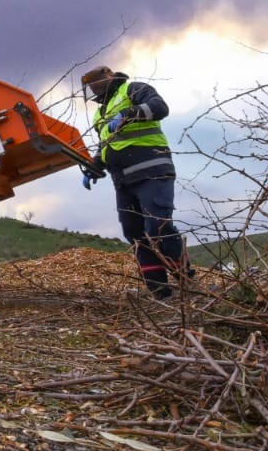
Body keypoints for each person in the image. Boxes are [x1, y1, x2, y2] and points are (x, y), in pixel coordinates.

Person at [79, 65, 193, 301]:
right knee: (135, 235)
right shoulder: (99, 114)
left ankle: (187, 278)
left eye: (96, 82)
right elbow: (107, 144)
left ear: (109, 76)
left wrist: (128, 114)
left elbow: (160, 107)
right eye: (90, 85)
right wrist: (94, 166)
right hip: (123, 181)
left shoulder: (132, 89)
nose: (94, 88)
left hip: (151, 171)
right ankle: (160, 292)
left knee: (157, 228)